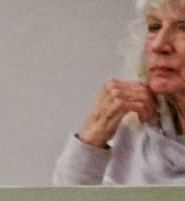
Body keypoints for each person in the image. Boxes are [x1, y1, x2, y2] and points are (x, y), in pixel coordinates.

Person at [54, 0, 185, 184]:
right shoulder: (136, 128)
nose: (158, 45)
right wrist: (91, 140)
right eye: (154, 27)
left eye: (183, 28)